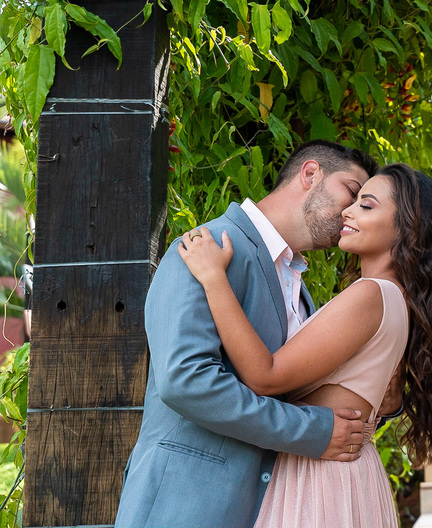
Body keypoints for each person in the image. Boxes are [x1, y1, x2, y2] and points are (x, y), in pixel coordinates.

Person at [176, 162, 432, 528]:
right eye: (355, 200)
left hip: (320, 479)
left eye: (367, 205)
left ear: (409, 228)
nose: (349, 210)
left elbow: (266, 377)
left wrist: (214, 277)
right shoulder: (397, 300)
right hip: (340, 474)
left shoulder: (370, 295)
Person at [116, 141, 379, 528]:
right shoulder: (205, 247)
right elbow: (186, 381)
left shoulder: (300, 289)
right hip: (183, 505)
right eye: (352, 193)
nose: (352, 211)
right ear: (310, 174)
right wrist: (312, 432)